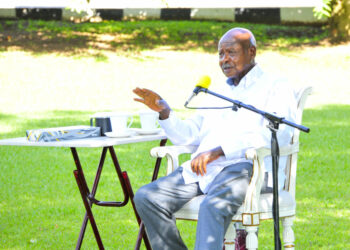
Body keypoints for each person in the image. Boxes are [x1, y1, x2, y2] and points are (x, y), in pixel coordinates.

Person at [132, 27, 297, 250]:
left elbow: (279, 134)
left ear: (252, 51)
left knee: (212, 206)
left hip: (248, 169)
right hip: (205, 170)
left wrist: (220, 150)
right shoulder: (218, 91)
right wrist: (165, 113)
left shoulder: (275, 86)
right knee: (148, 197)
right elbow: (191, 134)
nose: (224, 60)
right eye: (220, 54)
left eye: (231, 52)